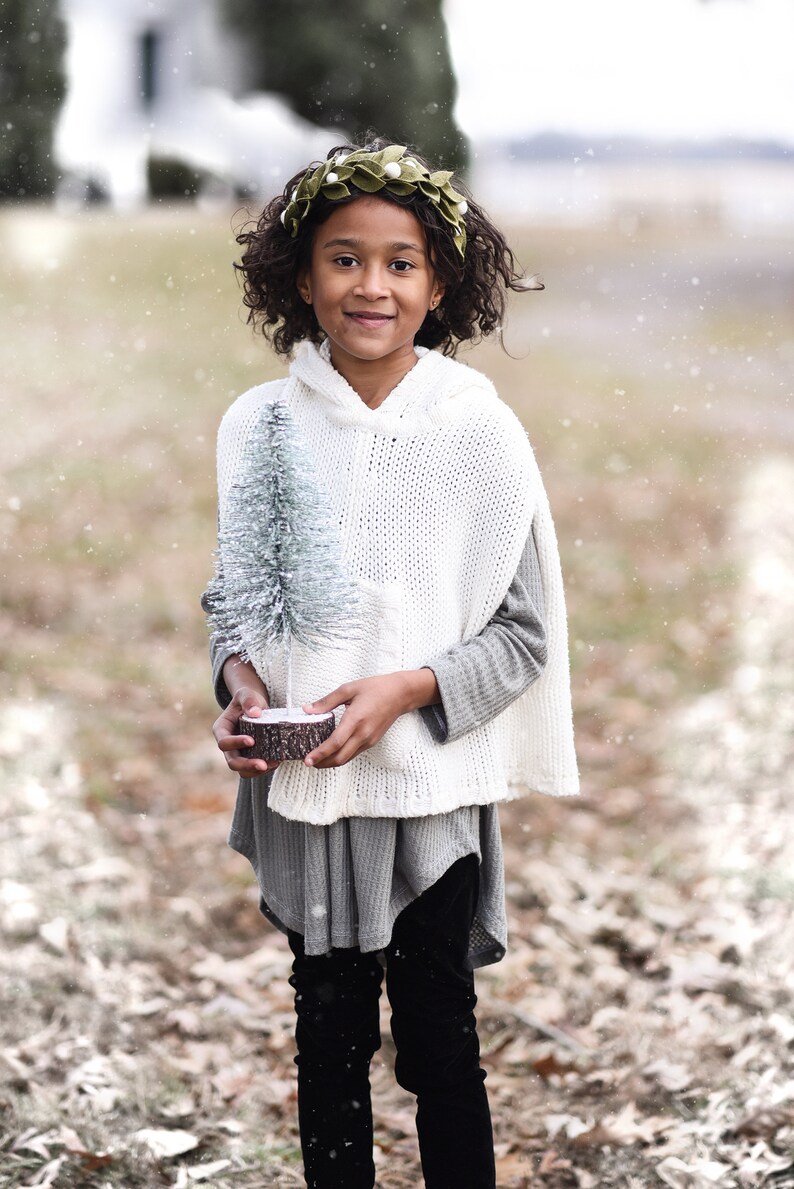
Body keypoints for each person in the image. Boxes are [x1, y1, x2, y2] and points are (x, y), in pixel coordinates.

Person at [202, 139, 578, 1189]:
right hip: (307, 793)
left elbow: (522, 636)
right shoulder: (259, 426)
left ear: (439, 282)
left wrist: (409, 685)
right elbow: (233, 597)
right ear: (300, 276)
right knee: (326, 1046)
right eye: (343, 257)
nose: (370, 284)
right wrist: (239, 684)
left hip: (428, 796)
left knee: (437, 1047)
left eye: (399, 262)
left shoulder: (477, 433)